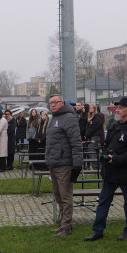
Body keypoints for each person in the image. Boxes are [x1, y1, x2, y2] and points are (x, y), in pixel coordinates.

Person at [83, 97, 127, 243]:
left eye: (121, 108)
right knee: (103, 201)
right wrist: (104, 155)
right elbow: (107, 144)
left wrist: (116, 159)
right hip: (110, 171)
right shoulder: (113, 125)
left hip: (126, 172)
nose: (117, 110)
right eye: (117, 107)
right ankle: (97, 231)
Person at [45, 95, 83, 236]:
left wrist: (77, 165)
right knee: (58, 196)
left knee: (65, 196)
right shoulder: (53, 118)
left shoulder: (69, 118)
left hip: (65, 164)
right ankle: (62, 223)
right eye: (50, 103)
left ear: (62, 103)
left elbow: (76, 143)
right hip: (54, 163)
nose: (52, 105)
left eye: (55, 102)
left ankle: (67, 226)